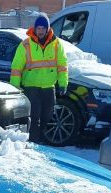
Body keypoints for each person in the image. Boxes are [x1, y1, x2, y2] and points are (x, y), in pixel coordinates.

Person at [9, 15, 69, 144]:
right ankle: (34, 142)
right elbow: (16, 67)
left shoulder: (57, 44)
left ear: (47, 29)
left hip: (49, 87)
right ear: (35, 29)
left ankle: (38, 139)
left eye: (43, 28)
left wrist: (63, 83)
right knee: (34, 117)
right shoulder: (25, 45)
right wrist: (15, 87)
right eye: (38, 28)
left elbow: (62, 65)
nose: (40, 31)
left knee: (47, 116)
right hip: (31, 87)